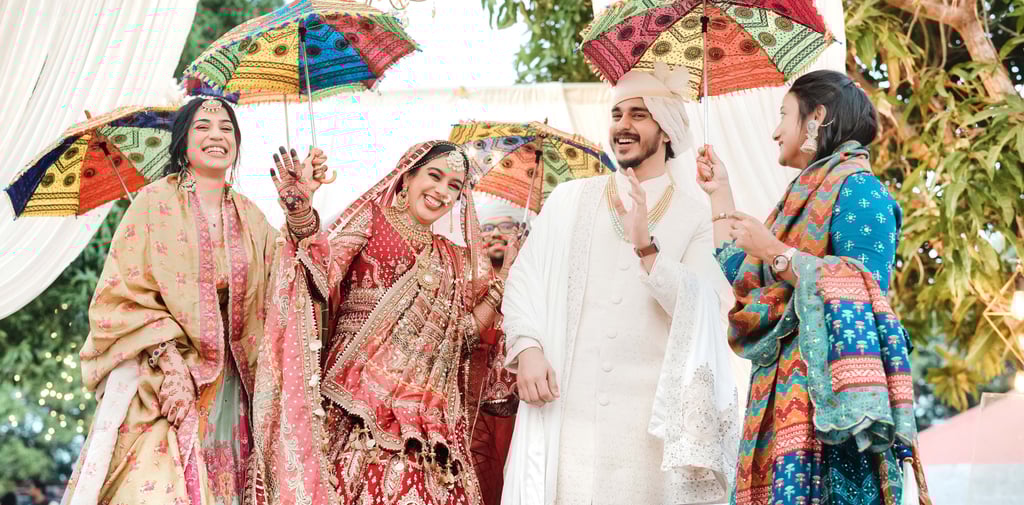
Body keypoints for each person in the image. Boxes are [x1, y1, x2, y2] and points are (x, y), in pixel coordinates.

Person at [500, 62, 741, 505]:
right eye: (617, 115)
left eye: (638, 115)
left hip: (646, 437)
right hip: (565, 420)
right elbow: (523, 281)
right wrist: (528, 346)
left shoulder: (694, 216)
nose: (623, 126)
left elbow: (707, 308)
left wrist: (646, 247)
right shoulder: (571, 199)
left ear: (666, 129)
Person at [695, 69, 931, 505]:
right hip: (779, 396)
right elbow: (746, 279)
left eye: (783, 114)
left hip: (833, 409)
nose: (773, 130)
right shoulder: (798, 200)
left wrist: (777, 253)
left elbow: (864, 291)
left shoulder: (861, 190)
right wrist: (719, 192)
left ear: (816, 116)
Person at [250, 141, 516, 505]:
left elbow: (463, 337)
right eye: (434, 176)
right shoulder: (373, 220)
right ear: (406, 178)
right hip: (353, 411)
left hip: (426, 432)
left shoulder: (454, 259)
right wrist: (300, 210)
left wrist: (501, 286)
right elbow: (317, 273)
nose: (441, 191)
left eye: (454, 186)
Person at [62, 97, 293, 505]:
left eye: (226, 128)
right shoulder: (152, 204)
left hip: (234, 385)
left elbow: (289, 285)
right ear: (182, 141)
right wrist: (170, 366)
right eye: (203, 126)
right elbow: (120, 298)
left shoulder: (252, 217)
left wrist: (299, 211)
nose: (216, 135)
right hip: (160, 378)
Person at [467, 195, 526, 505]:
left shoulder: (532, 280)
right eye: (487, 228)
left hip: (519, 404)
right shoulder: (469, 280)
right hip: (473, 405)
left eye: (505, 226)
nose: (494, 234)